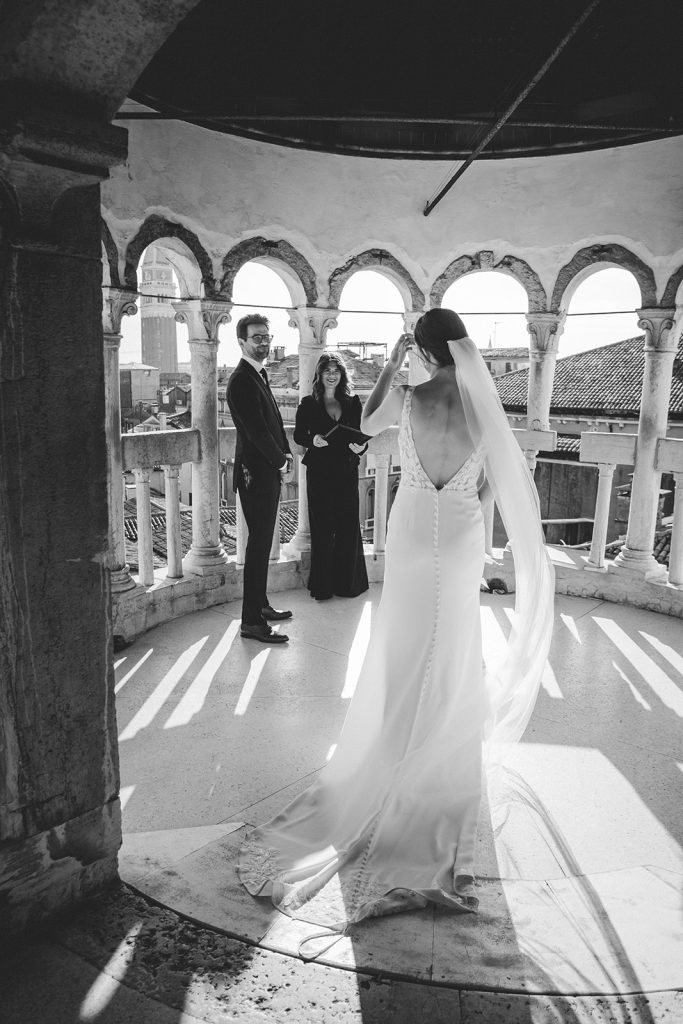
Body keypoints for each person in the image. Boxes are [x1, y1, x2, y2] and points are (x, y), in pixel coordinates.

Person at [237, 308, 554, 930]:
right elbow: (502, 485)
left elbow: (363, 421)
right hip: (460, 531)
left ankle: (392, 744)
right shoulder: (484, 407)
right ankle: (439, 755)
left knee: (403, 643)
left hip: (409, 528)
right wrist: (467, 504)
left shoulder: (407, 399)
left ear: (424, 349)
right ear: (461, 347)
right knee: (455, 642)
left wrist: (389, 362)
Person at [227, 314, 294, 644]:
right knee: (257, 548)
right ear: (241, 342)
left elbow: (275, 422)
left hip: (266, 470)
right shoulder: (240, 380)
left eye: (267, 336)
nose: (264, 342)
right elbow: (255, 431)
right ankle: (251, 622)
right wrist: (281, 461)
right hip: (256, 474)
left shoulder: (259, 373)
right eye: (257, 338)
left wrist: (286, 451)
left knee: (263, 544)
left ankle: (260, 605)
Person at [294, 352, 369, 601]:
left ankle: (348, 585)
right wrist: (312, 440)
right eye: (327, 370)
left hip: (346, 470)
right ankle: (323, 587)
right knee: (323, 529)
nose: (332, 375)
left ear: (342, 375)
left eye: (336, 371)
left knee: (348, 527)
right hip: (320, 472)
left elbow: (360, 433)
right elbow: (298, 436)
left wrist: (362, 447)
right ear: (319, 374)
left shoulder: (353, 402)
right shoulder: (307, 403)